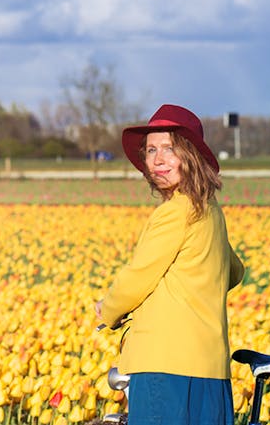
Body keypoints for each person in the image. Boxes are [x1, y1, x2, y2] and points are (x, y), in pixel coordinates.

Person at [95, 104, 245, 425]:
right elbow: (234, 271)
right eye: (151, 150)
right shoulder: (209, 211)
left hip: (165, 365)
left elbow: (137, 277)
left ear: (190, 156)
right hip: (210, 367)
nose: (157, 159)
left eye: (169, 149)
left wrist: (108, 310)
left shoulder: (175, 212)